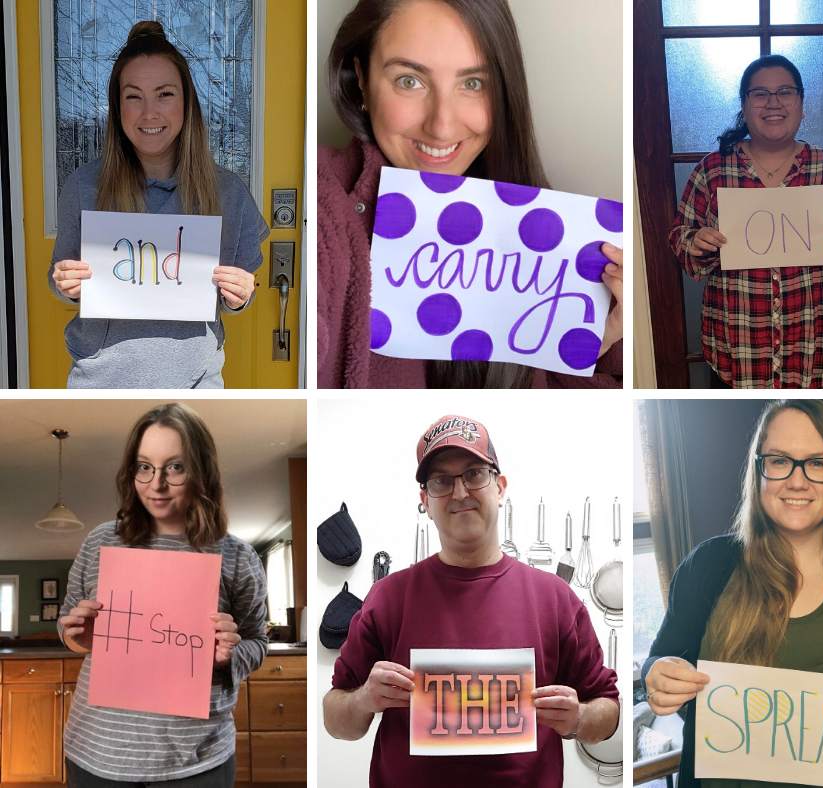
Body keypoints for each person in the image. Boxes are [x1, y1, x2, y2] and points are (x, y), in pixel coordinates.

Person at [319, 0, 623, 388]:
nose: (442, 127)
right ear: (360, 77)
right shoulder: (323, 202)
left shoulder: (554, 235)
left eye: (472, 83)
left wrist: (591, 346)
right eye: (409, 80)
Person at [322, 414, 620, 786]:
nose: (460, 492)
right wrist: (365, 698)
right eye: (441, 482)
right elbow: (335, 720)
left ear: (500, 486)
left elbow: (608, 710)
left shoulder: (555, 598)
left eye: (474, 474)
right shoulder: (387, 598)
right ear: (425, 501)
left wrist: (578, 718)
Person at [642, 400, 823, 788]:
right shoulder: (709, 565)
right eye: (779, 460)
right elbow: (660, 657)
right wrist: (657, 674)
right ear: (759, 471)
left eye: (818, 463)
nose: (797, 481)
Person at [49, 21, 269, 389]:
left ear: (187, 103)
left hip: (197, 387)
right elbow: (60, 279)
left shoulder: (229, 194)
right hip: (99, 386)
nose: (149, 112)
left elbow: (239, 295)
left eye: (164, 94)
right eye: (133, 96)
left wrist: (241, 294)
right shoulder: (84, 187)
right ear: (118, 108)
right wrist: (63, 284)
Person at [58, 403, 268, 786]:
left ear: (201, 471)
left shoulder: (237, 556)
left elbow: (258, 642)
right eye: (143, 466)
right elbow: (68, 621)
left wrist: (229, 655)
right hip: (96, 755)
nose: (156, 484)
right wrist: (76, 637)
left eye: (175, 466)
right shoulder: (100, 541)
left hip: (196, 762)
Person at [669, 55, 823, 389]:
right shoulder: (712, 171)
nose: (773, 103)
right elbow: (680, 237)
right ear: (744, 104)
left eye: (785, 92)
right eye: (760, 94)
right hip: (739, 345)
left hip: (813, 342)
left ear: (801, 102)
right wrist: (695, 242)